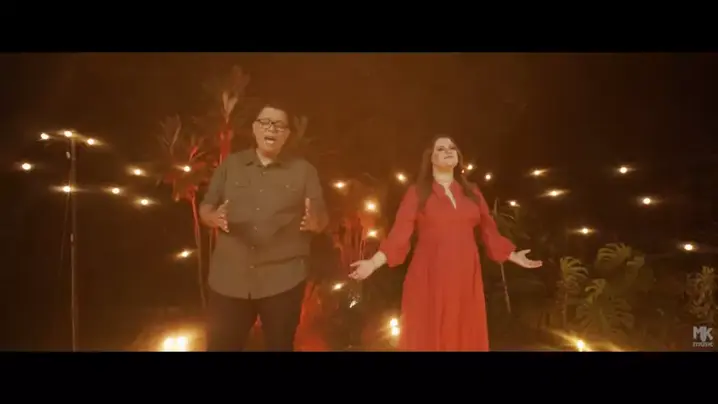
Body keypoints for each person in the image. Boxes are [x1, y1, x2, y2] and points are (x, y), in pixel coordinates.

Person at [349, 135, 542, 351]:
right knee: (430, 336)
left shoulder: (472, 192)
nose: (448, 151)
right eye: (441, 149)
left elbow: (489, 230)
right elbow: (399, 235)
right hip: (430, 277)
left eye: (451, 147)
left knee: (464, 333)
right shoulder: (418, 193)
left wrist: (513, 255)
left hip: (465, 278)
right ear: (430, 158)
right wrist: (372, 263)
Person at [200, 100, 328, 351]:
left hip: (283, 279)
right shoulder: (231, 165)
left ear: (287, 135)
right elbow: (206, 206)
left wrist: (316, 222)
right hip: (230, 279)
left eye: (279, 125)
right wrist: (212, 217)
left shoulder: (304, 171)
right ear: (255, 128)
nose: (272, 129)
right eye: (266, 122)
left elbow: (322, 216)